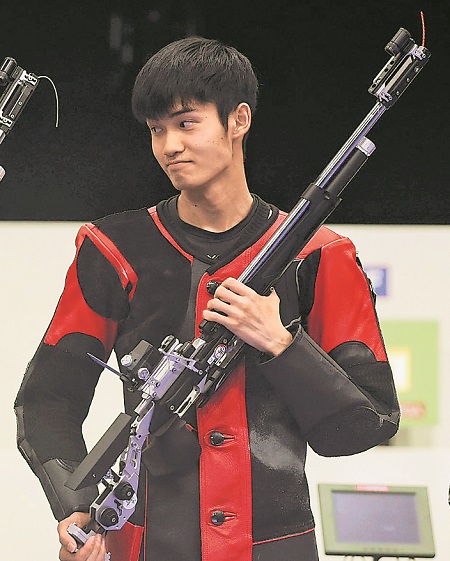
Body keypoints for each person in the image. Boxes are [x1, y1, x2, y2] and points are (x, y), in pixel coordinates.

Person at [15, 36, 400, 561]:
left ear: (238, 120)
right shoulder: (114, 250)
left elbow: (363, 425)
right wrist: (76, 508)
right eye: (156, 129)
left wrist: (281, 344)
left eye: (186, 123)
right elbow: (47, 400)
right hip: (145, 546)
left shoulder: (320, 255)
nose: (169, 146)